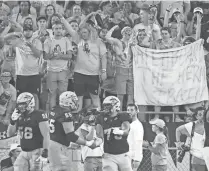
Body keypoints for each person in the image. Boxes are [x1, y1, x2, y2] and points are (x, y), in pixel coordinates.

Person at [48, 91, 101, 171]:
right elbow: (71, 135)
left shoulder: (55, 109)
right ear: (69, 102)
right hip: (59, 147)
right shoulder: (66, 113)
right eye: (74, 101)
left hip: (52, 144)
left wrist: (82, 120)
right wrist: (87, 143)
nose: (76, 103)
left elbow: (63, 129)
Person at [7, 92, 50, 171]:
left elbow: (46, 134)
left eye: (23, 104)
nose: (21, 107)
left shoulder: (39, 114)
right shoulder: (19, 116)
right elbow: (10, 134)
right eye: (19, 104)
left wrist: (46, 150)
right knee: (18, 167)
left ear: (31, 103)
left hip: (37, 151)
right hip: (24, 151)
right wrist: (12, 121)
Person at [96, 96, 132, 171]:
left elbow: (126, 131)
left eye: (108, 105)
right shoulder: (101, 117)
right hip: (108, 155)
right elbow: (99, 134)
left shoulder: (123, 116)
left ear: (116, 106)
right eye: (105, 105)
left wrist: (120, 132)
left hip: (123, 154)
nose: (106, 108)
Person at [176, 107, 209, 171]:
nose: (202, 116)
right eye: (200, 114)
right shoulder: (192, 125)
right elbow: (178, 130)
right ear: (196, 116)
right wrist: (178, 143)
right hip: (198, 159)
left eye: (204, 114)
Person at [127, 104, 144, 171]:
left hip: (133, 157)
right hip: (128, 155)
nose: (129, 112)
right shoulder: (131, 124)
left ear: (136, 111)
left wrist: (137, 158)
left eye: (132, 110)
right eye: (128, 110)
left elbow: (139, 142)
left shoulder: (138, 125)